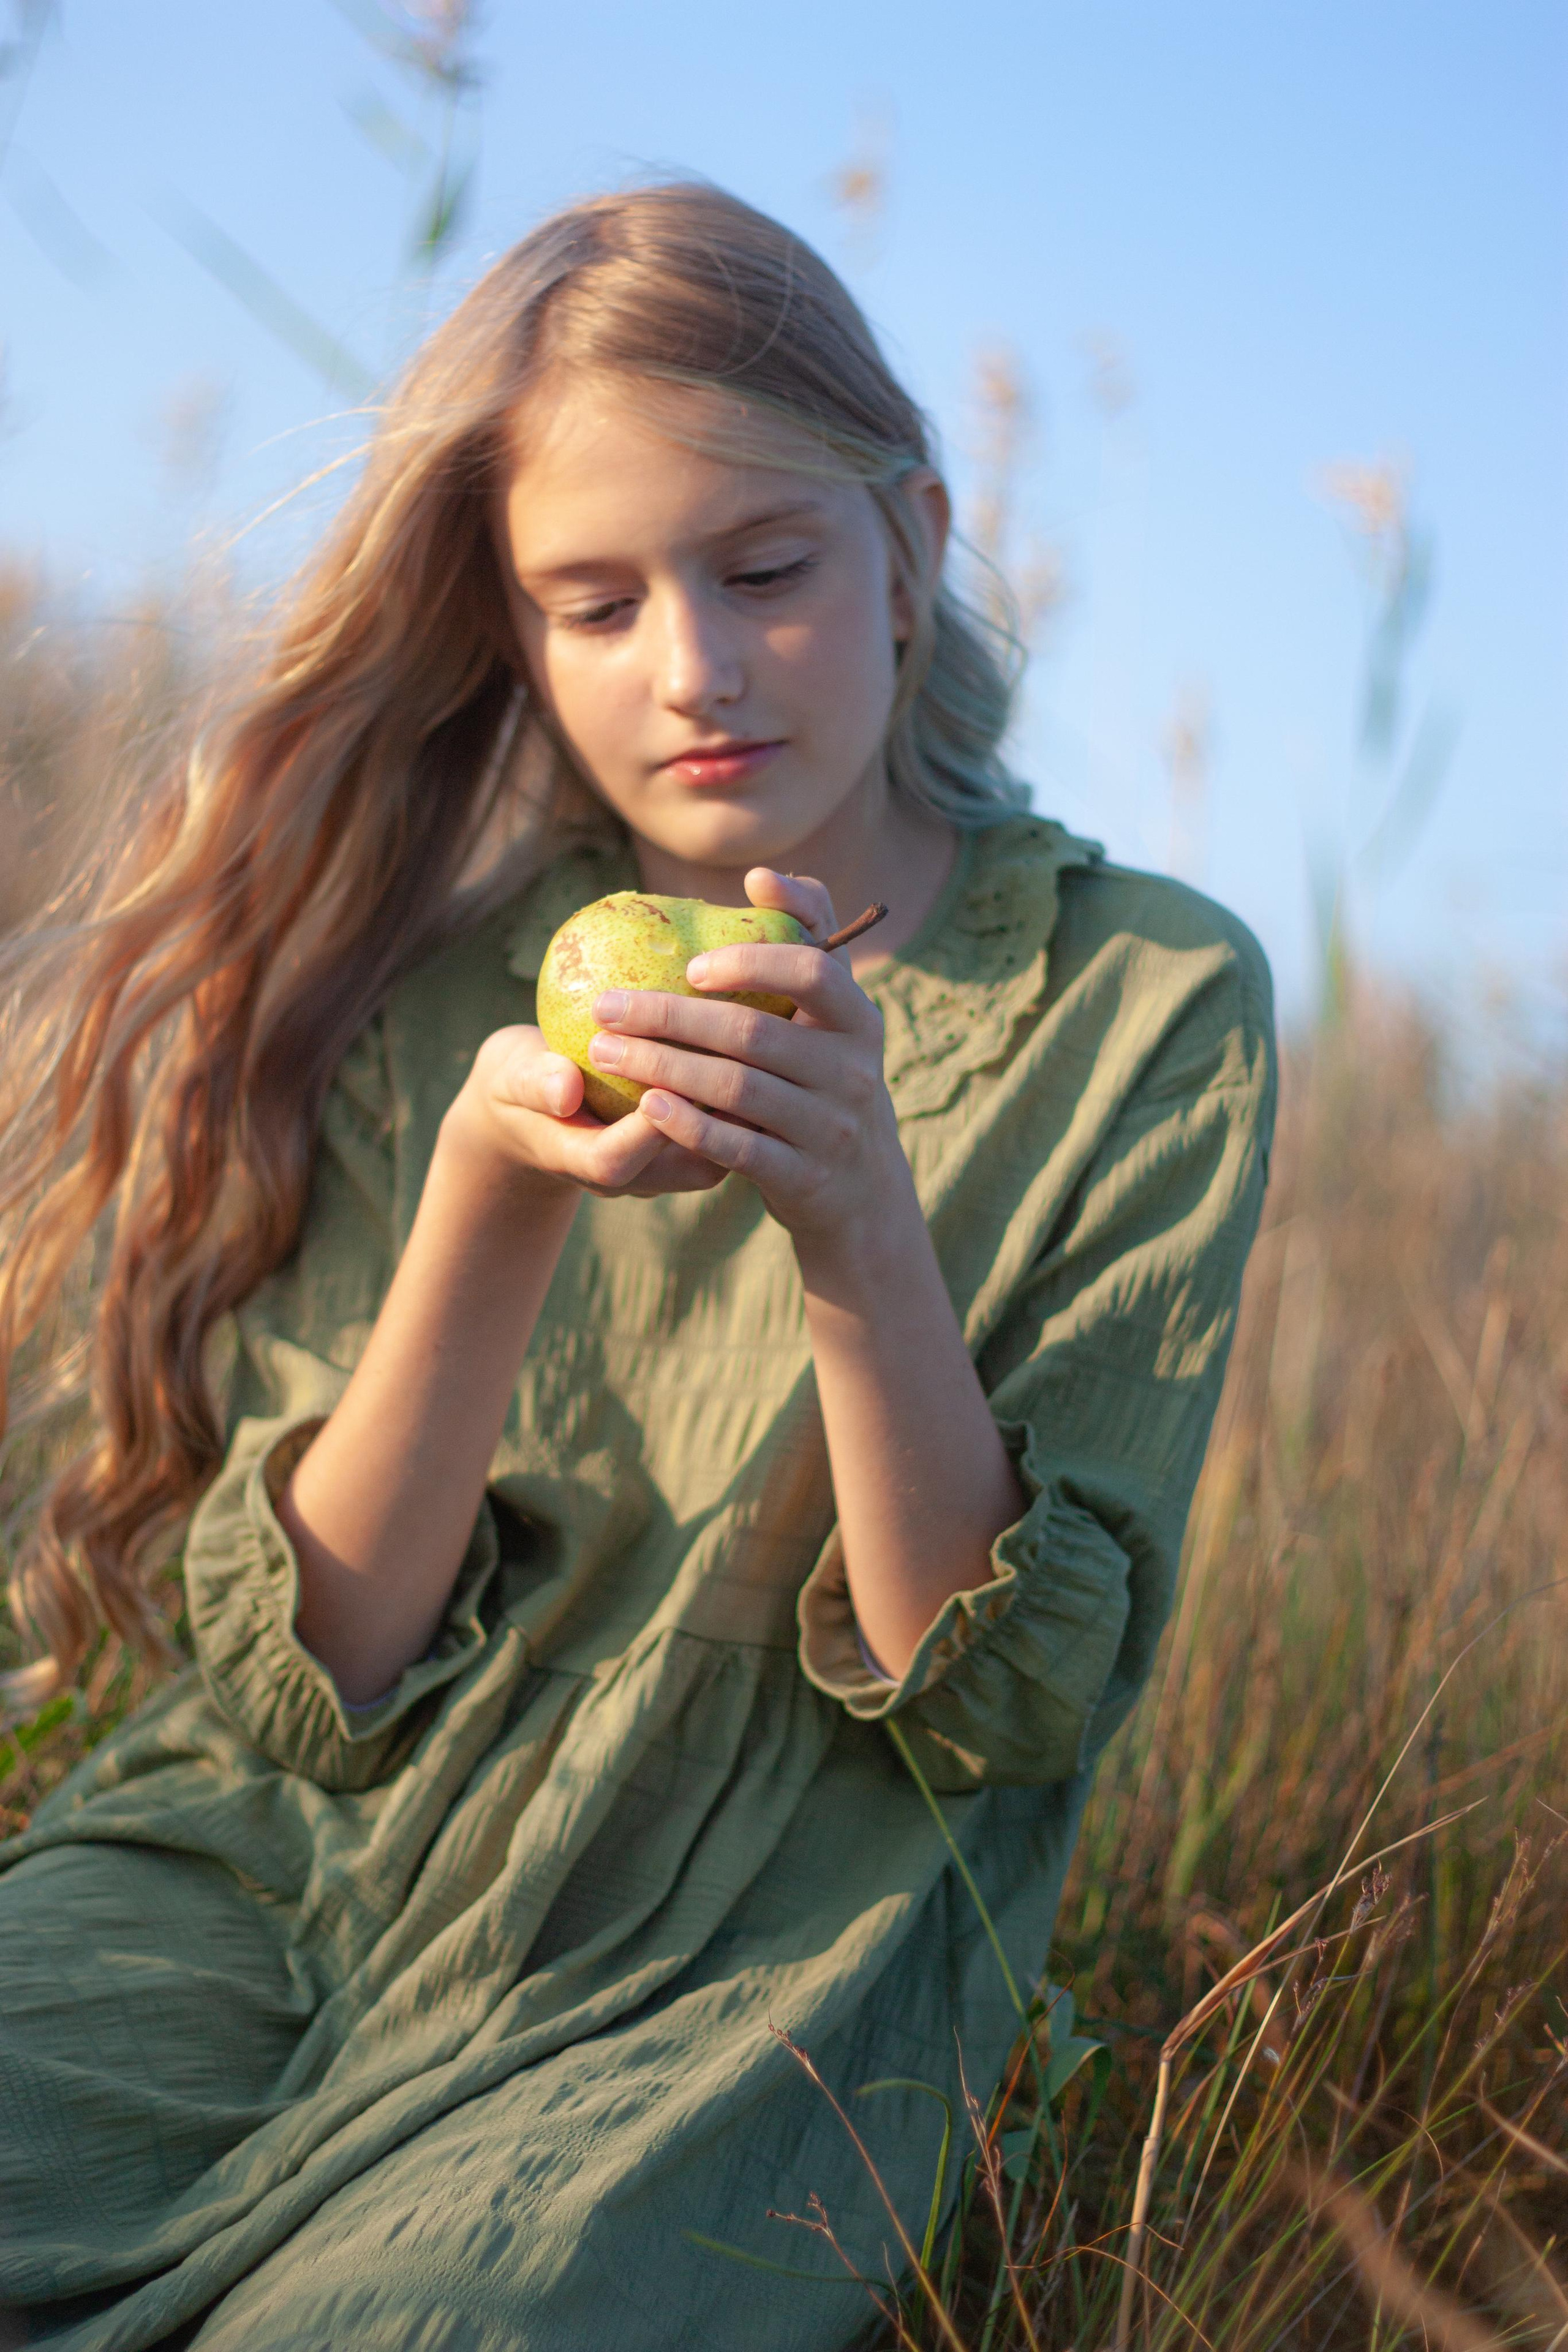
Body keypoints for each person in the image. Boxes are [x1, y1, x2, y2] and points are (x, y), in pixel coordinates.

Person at [0, 183, 1274, 2352]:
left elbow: (1006, 1708)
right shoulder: (431, 998)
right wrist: (492, 1208)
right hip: (279, 1870)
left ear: (915, 545)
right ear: (512, 636)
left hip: (728, 1943)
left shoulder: (1138, 996)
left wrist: (864, 1221)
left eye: (761, 569)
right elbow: (323, 1659)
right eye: (590, 605)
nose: (688, 666)